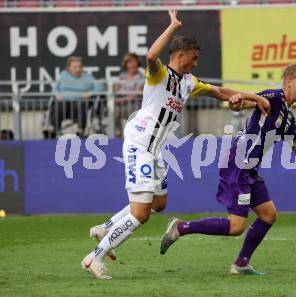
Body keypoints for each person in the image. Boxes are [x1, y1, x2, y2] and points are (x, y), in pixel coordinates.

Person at [81, 9, 270, 279]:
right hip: (139, 145)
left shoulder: (189, 82)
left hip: (156, 150)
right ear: (180, 55)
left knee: (159, 203)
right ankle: (94, 258)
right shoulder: (159, 75)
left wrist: (255, 100)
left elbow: (222, 93)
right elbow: (150, 56)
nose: (195, 62)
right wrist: (172, 26)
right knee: (141, 214)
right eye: (193, 58)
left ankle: (106, 226)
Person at [160, 64, 296, 275]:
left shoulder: (288, 119)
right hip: (238, 164)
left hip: (249, 170)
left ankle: (241, 263)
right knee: (236, 227)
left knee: (268, 215)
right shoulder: (273, 97)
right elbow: (239, 103)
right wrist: (234, 102)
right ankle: (180, 228)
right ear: (288, 82)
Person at [48, 56, 103, 138]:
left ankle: (80, 129)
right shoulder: (63, 75)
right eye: (74, 67)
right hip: (64, 103)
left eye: (79, 67)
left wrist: (91, 93)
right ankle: (53, 128)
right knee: (58, 105)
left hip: (80, 104)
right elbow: (54, 89)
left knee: (82, 104)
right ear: (69, 68)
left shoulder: (88, 77)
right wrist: (57, 95)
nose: (77, 69)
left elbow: (100, 87)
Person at [114, 53, 145, 137]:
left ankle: (134, 136)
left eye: (134, 62)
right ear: (126, 64)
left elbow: (136, 94)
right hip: (121, 105)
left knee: (133, 110)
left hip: (136, 105)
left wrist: (122, 99)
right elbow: (116, 91)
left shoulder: (142, 77)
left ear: (138, 64)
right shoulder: (121, 76)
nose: (132, 65)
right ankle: (118, 134)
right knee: (115, 111)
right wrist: (118, 99)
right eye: (129, 62)